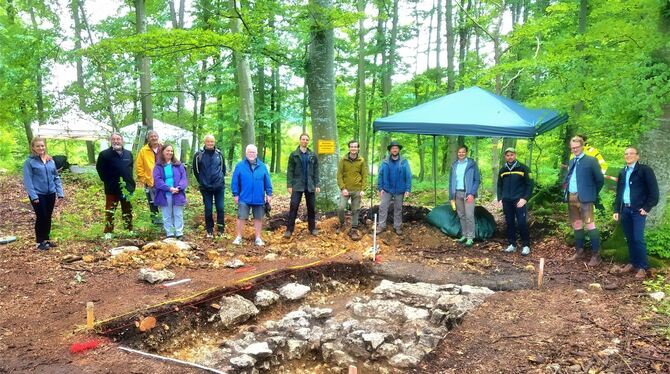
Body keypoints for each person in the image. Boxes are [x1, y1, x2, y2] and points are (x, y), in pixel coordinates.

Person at [613, 147, 659, 279]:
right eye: (626, 154)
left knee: (638, 239)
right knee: (630, 238)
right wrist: (617, 210)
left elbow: (654, 193)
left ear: (637, 156)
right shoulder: (622, 172)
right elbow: (619, 193)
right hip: (625, 210)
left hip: (638, 211)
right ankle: (633, 263)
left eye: (631, 153)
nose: (628, 156)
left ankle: (643, 267)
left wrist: (647, 208)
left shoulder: (645, 171)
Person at [564, 136, 605, 266]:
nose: (575, 149)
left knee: (590, 225)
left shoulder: (591, 160)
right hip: (571, 197)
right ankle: (579, 251)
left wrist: (592, 193)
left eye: (577, 147)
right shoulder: (571, 161)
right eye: (572, 148)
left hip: (586, 198)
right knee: (577, 224)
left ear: (582, 146)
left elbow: (600, 180)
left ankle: (596, 256)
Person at [22, 137, 64, 250]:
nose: (41, 148)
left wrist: (60, 193)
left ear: (45, 146)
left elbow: (56, 177)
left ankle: (46, 240)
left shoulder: (50, 161)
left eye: (42, 145)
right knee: (42, 216)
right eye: (38, 146)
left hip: (50, 193)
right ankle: (39, 242)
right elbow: (28, 180)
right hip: (38, 194)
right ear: (33, 148)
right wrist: (33, 195)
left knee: (48, 217)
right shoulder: (29, 162)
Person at [96, 133, 136, 239]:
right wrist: (107, 180)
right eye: (113, 139)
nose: (116, 141)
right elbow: (100, 169)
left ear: (122, 140)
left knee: (127, 209)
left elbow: (130, 168)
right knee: (110, 209)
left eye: (118, 139)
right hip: (111, 187)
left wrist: (131, 183)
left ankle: (129, 229)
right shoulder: (104, 154)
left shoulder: (128, 154)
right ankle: (108, 231)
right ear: (111, 141)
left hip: (127, 187)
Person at [231, 144, 273, 246]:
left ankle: (258, 238)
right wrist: (235, 194)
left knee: (258, 218)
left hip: (259, 198)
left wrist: (269, 193)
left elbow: (267, 181)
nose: (251, 154)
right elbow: (235, 181)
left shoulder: (262, 166)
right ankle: (239, 237)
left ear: (256, 153)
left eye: (253, 152)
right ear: (246, 153)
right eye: (249, 152)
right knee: (241, 217)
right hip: (244, 197)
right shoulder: (240, 166)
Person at [496, 147, 533, 255]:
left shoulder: (523, 168)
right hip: (507, 201)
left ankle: (526, 245)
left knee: (522, 222)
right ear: (505, 157)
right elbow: (499, 185)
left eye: (511, 155)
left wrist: (525, 198)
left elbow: (530, 184)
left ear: (515, 155)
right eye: (507, 155)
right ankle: (512, 244)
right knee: (509, 222)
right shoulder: (503, 170)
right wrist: (500, 198)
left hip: (519, 200)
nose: (510, 157)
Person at [284, 133, 320, 238]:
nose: (305, 141)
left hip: (310, 185)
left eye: (307, 140)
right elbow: (290, 171)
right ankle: (289, 230)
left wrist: (317, 184)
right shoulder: (294, 154)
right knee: (294, 206)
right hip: (297, 185)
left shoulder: (312, 155)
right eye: (303, 139)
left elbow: (316, 171)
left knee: (311, 207)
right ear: (300, 140)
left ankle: (312, 228)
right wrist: (289, 185)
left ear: (308, 141)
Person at [193, 135, 226, 238]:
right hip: (205, 187)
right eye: (208, 141)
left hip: (219, 187)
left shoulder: (219, 154)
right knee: (208, 209)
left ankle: (221, 229)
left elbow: (223, 169)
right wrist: (202, 181)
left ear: (214, 142)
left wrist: (220, 179)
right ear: (205, 142)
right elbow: (196, 170)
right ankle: (210, 230)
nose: (210, 143)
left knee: (220, 208)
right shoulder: (199, 155)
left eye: (212, 141)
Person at [152, 144, 188, 239]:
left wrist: (179, 188)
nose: (170, 153)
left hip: (178, 193)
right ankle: (170, 234)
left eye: (171, 151)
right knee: (167, 215)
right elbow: (158, 180)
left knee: (178, 214)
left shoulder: (178, 165)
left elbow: (184, 178)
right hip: (165, 194)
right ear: (163, 152)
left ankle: (179, 233)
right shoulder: (158, 166)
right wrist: (169, 188)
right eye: (167, 150)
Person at [376, 141, 411, 235]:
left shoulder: (404, 162)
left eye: (396, 148)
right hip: (387, 189)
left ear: (399, 150)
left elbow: (408, 176)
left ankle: (398, 226)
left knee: (398, 208)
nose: (394, 150)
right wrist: (380, 188)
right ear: (390, 150)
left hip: (400, 189)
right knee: (383, 207)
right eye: (392, 148)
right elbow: (380, 175)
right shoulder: (385, 162)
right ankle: (381, 226)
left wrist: (408, 189)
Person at [449, 145, 481, 247]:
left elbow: (477, 180)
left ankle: (470, 237)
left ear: (466, 153)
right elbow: (451, 182)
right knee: (461, 215)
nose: (461, 154)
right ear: (457, 153)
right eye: (459, 152)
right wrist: (451, 196)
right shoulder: (454, 165)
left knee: (469, 215)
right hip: (457, 193)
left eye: (463, 152)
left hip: (468, 194)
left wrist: (472, 193)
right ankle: (464, 234)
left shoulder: (472, 164)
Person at [337, 140, 368, 239]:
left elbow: (364, 175)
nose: (353, 148)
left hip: (357, 190)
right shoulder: (343, 160)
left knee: (356, 209)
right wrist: (342, 188)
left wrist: (363, 189)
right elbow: (339, 175)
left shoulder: (361, 160)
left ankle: (354, 227)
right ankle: (342, 224)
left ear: (358, 148)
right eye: (351, 146)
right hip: (345, 189)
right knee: (341, 208)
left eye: (355, 147)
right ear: (349, 148)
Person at [135, 130, 161, 224]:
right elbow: (139, 166)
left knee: (166, 202)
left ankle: (167, 223)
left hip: (164, 181)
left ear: (158, 137)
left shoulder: (163, 148)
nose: (154, 138)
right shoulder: (143, 150)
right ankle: (156, 223)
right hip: (150, 182)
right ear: (148, 139)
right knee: (152, 203)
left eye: (155, 136)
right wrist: (144, 179)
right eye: (151, 136)